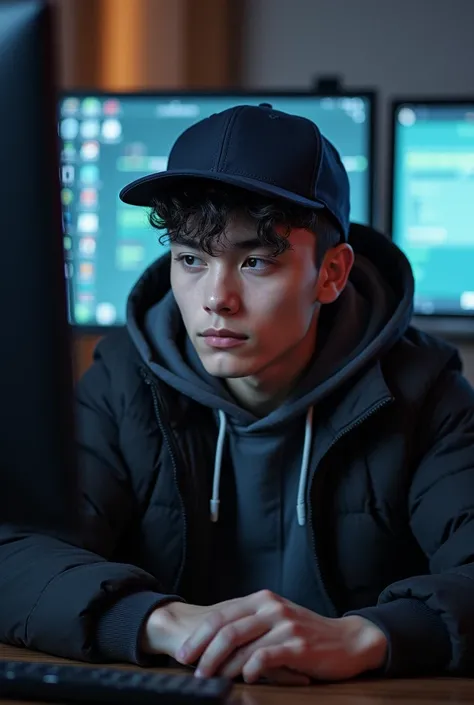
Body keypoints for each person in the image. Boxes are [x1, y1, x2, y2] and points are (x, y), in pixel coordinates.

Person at [1, 104, 474, 686]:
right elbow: (13, 553)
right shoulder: (123, 378)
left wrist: (365, 635)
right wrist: (162, 622)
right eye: (191, 260)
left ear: (331, 274)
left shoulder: (426, 390)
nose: (216, 298)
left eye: (255, 261)